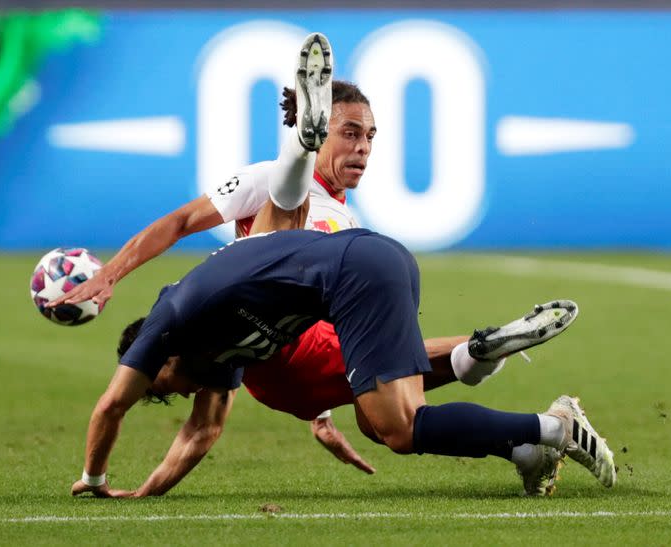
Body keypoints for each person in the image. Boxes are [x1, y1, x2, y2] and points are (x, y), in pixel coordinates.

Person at [68, 33, 616, 500]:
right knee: (383, 413)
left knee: (384, 410)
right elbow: (181, 222)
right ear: (326, 128)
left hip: (305, 331)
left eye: (370, 136)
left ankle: (517, 402)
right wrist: (110, 274)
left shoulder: (327, 233)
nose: (363, 148)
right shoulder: (291, 209)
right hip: (323, 308)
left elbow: (142, 409)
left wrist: (100, 479)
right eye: (350, 133)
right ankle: (486, 379)